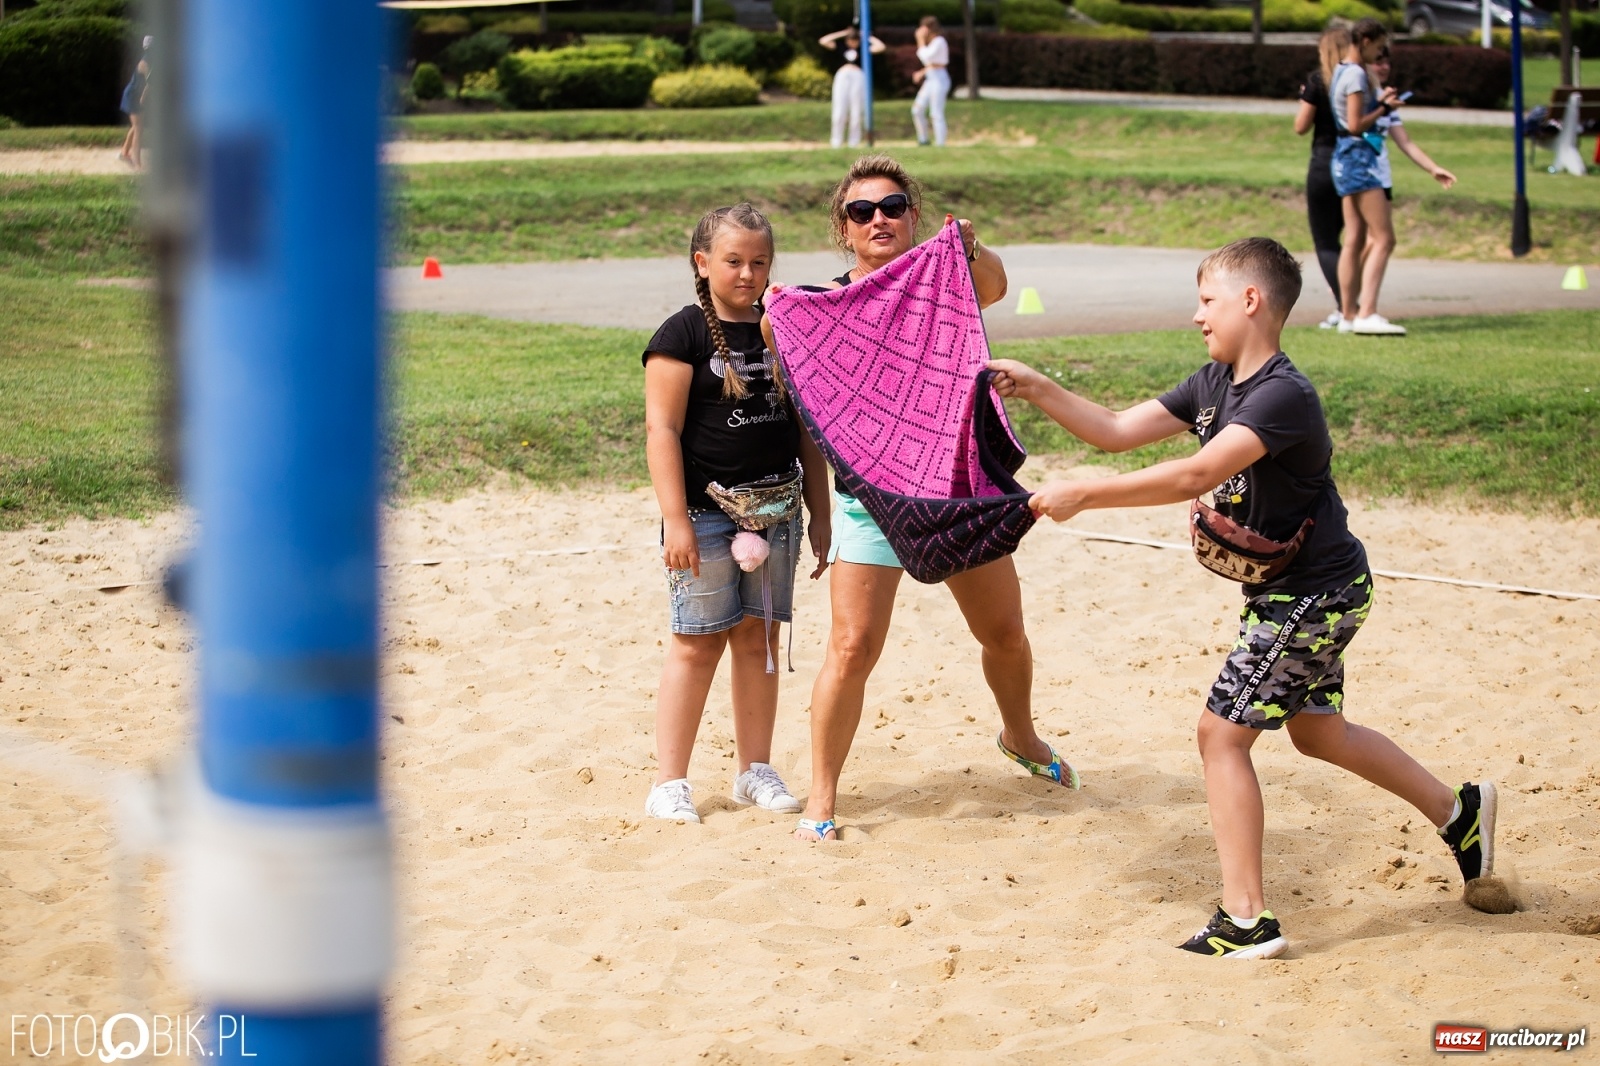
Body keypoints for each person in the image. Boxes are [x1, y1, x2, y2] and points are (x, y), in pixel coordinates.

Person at [988, 237, 1497, 958]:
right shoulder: (1213, 382)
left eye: (1207, 299)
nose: (1197, 315)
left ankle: (1246, 919)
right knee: (1319, 732)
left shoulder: (1282, 395)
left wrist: (1083, 498)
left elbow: (1195, 475)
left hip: (1312, 596)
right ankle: (1458, 812)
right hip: (1303, 593)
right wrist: (1037, 385)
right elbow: (1115, 431)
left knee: (1220, 735)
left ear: (1251, 301)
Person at [764, 155, 1077, 843]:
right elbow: (778, 339)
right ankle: (822, 798)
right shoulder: (827, 302)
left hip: (955, 486)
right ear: (843, 230)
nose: (879, 218)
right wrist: (782, 312)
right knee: (851, 647)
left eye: (893, 206)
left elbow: (993, 282)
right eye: (861, 211)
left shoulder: (946, 275)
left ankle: (1019, 735)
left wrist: (969, 244)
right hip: (868, 500)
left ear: (912, 215)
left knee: (1003, 634)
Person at [641, 203, 832, 824]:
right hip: (704, 514)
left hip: (779, 510)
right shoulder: (682, 335)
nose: (748, 274)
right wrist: (675, 518)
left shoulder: (786, 327)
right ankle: (670, 782)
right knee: (696, 644)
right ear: (703, 263)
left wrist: (821, 511)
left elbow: (808, 429)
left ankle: (755, 769)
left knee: (760, 640)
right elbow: (661, 429)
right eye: (733, 261)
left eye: (760, 262)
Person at [1329, 18, 1406, 335]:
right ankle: (1367, 312)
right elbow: (1356, 124)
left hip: (1344, 158)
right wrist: (1384, 108)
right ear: (1364, 40)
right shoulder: (1358, 74)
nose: (1379, 53)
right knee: (1384, 238)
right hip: (1360, 158)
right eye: (1377, 46)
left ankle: (1347, 315)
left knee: (1354, 238)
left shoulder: (1339, 70)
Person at [1294, 24, 1352, 329]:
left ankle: (1346, 308)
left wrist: (1306, 97)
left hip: (1324, 163)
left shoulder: (1319, 81)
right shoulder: (1360, 80)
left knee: (1327, 243)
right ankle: (1357, 305)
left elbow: (1300, 126)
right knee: (1352, 239)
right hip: (1355, 166)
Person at [1367, 45, 1457, 203]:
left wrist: (1433, 168)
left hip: (1381, 178)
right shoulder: (1356, 96)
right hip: (1356, 178)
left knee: (1380, 229)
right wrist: (1381, 106)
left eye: (1388, 63)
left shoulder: (1389, 101)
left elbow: (1406, 142)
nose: (1385, 67)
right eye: (1379, 62)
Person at [818, 25, 885, 149]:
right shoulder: (841, 47)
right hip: (843, 76)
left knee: (856, 110)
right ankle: (836, 141)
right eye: (850, 39)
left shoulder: (863, 49)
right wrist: (842, 33)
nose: (853, 42)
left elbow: (881, 47)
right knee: (839, 110)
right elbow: (823, 41)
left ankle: (854, 141)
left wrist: (867, 37)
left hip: (858, 77)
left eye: (855, 40)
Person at [910, 17, 951, 148]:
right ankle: (923, 139)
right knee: (917, 109)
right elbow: (931, 63)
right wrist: (921, 72)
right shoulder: (934, 43)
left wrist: (920, 41)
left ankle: (940, 144)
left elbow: (926, 57)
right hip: (930, 79)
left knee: (936, 113)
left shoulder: (939, 41)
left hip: (939, 80)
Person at [118, 37, 152, 170]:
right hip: (133, 96)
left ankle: (124, 153)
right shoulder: (145, 62)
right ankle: (136, 163)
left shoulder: (150, 60)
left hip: (137, 96)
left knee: (138, 126)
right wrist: (144, 97)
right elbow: (150, 82)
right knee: (138, 128)